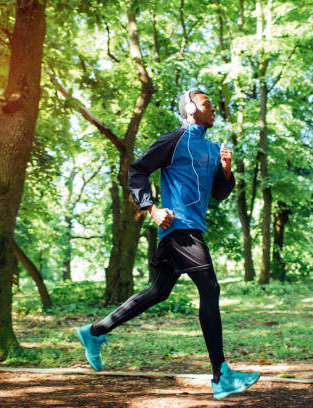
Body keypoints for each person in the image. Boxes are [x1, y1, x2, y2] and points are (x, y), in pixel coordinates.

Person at [76, 89, 260, 399]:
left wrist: (226, 171)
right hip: (179, 226)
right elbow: (138, 170)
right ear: (190, 109)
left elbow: (218, 193)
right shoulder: (174, 140)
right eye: (206, 104)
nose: (213, 109)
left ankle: (95, 332)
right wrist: (152, 209)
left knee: (158, 291)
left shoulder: (214, 148)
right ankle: (221, 377)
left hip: (190, 228)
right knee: (210, 289)